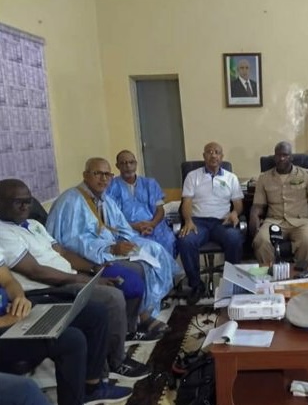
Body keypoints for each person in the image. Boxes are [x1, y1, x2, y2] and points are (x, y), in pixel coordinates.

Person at [0, 179, 152, 380]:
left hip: (69, 276)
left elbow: (62, 251)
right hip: (49, 287)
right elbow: (36, 271)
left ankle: (125, 335)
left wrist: (94, 268)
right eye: (17, 202)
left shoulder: (34, 224)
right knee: (112, 298)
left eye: (28, 201)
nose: (25, 206)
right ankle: (115, 362)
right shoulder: (3, 232)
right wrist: (84, 279)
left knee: (130, 272)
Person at [45, 157, 180, 334]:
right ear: (85, 175)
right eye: (98, 174)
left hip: (109, 247)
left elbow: (120, 226)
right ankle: (136, 320)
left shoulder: (104, 199)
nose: (103, 179)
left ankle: (143, 311)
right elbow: (72, 241)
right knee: (139, 268)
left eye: (107, 174)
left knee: (154, 249)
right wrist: (110, 248)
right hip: (85, 258)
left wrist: (127, 242)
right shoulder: (71, 201)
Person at [0, 263, 132, 405]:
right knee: (71, 340)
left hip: (11, 315)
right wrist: (6, 321)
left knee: (95, 313)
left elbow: (8, 280)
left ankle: (91, 389)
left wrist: (19, 298)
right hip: (5, 326)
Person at [177, 142, 244, 300]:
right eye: (209, 152)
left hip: (222, 222)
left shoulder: (231, 178)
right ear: (204, 156)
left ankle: (231, 283)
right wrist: (188, 220)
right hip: (198, 222)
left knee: (235, 238)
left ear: (222, 156)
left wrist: (235, 213)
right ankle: (196, 285)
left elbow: (238, 203)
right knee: (185, 241)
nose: (213, 155)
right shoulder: (193, 176)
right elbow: (186, 202)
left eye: (217, 152)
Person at [250, 141, 308, 267]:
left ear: (291, 157)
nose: (281, 158)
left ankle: (300, 272)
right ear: (274, 157)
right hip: (274, 221)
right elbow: (258, 205)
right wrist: (253, 215)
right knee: (261, 240)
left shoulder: (306, 175)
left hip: (301, 221)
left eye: (285, 155)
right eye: (278, 155)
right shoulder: (264, 178)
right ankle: (269, 272)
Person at [107, 150, 177, 257]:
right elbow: (111, 216)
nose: (128, 166)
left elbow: (160, 209)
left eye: (131, 162)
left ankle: (166, 268)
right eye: (123, 163)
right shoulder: (111, 187)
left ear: (136, 164)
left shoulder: (150, 183)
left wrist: (152, 224)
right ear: (117, 166)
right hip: (126, 228)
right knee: (135, 247)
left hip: (154, 225)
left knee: (168, 239)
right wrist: (133, 226)